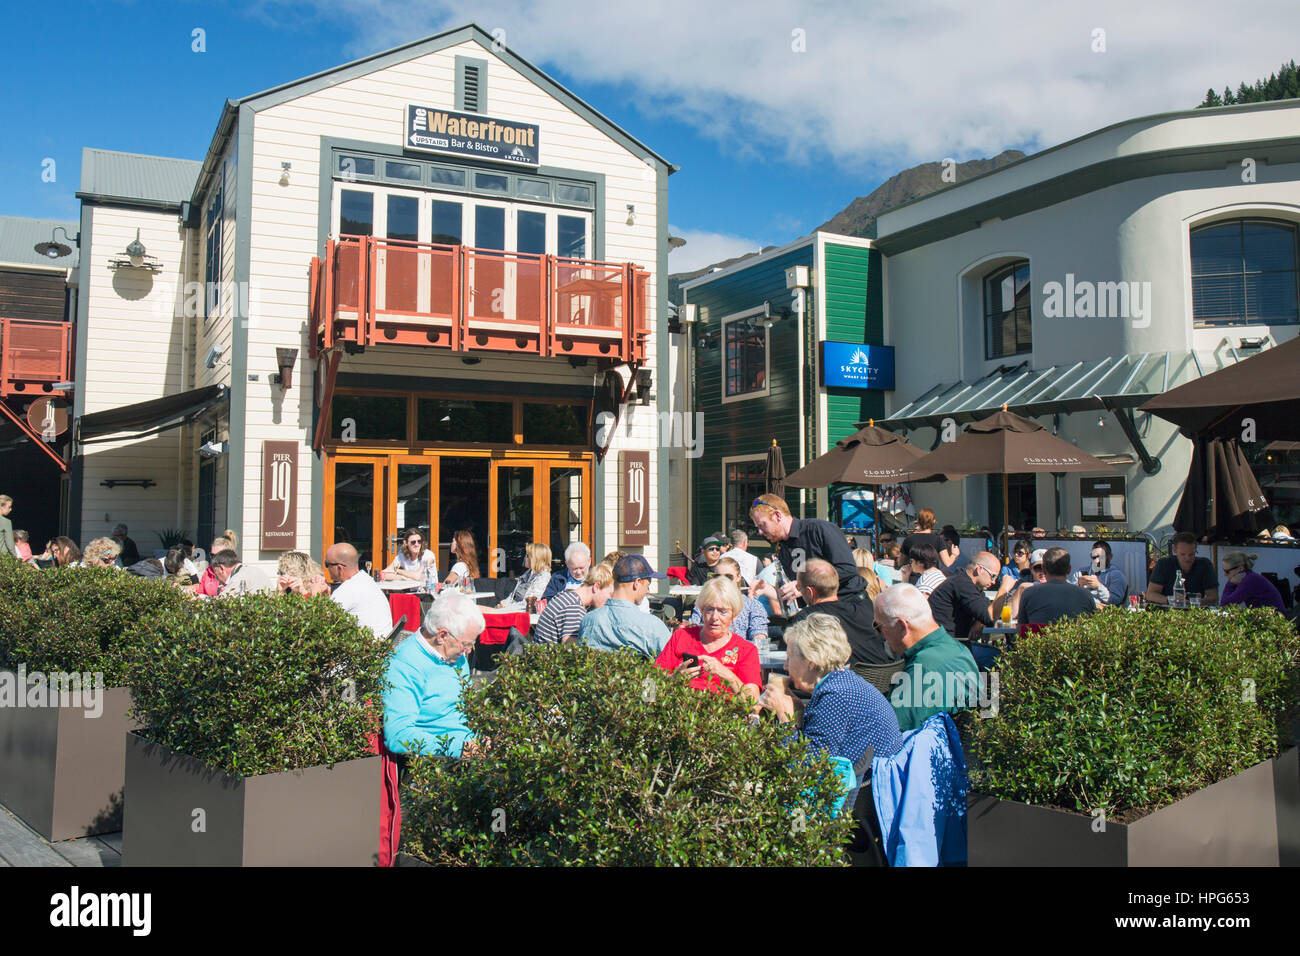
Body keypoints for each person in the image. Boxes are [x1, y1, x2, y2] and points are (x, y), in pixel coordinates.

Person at [756, 614, 906, 773]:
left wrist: (784, 717)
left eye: (789, 659)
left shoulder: (835, 696)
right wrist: (800, 712)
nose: (785, 667)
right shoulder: (844, 682)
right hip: (873, 780)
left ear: (811, 662)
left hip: (861, 790)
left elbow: (806, 766)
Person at [382, 590, 485, 758]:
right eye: (466, 644)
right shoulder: (404, 664)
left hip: (469, 747)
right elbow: (398, 735)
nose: (468, 651)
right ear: (442, 635)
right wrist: (461, 749)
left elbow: (463, 713)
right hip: (438, 761)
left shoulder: (456, 656)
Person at [873, 583, 979, 732]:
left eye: (879, 627)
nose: (880, 635)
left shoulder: (924, 667)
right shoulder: (958, 649)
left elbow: (889, 732)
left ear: (902, 626)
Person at [749, 493, 866, 605]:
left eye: (762, 525)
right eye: (757, 527)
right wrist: (768, 590)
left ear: (777, 516)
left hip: (849, 605)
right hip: (820, 611)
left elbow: (847, 569)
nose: (759, 532)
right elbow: (798, 594)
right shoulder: (783, 548)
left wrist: (801, 585)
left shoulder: (819, 529)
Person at [657, 575, 762, 699]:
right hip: (680, 712)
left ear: (735, 615)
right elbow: (649, 687)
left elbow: (753, 703)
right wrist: (674, 679)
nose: (714, 617)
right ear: (701, 611)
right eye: (709, 609)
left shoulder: (746, 650)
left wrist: (726, 674)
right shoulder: (682, 637)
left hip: (724, 715)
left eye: (722, 611)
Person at [789, 559, 893, 666]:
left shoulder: (807, 619)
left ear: (810, 592)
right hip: (884, 678)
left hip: (845, 681)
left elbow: (801, 664)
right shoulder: (865, 607)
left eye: (798, 588)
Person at [579, 554, 671, 657]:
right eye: (647, 585)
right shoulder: (653, 626)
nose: (648, 591)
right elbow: (672, 664)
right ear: (637, 583)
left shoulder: (589, 621)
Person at [927, 551, 1014, 641]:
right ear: (979, 569)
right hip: (943, 646)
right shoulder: (961, 584)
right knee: (995, 654)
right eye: (993, 576)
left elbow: (985, 607)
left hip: (950, 643)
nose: (993, 582)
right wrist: (1004, 589)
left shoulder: (966, 582)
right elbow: (991, 617)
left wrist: (979, 621)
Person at [687, 557, 769, 642]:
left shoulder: (752, 605)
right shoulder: (704, 602)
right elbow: (693, 627)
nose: (722, 580)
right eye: (717, 576)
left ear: (738, 577)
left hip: (739, 651)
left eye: (728, 577)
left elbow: (759, 633)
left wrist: (757, 639)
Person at [531, 563, 614, 644]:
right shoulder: (574, 607)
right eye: (610, 594)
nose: (611, 599)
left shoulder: (567, 597)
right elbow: (571, 648)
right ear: (596, 587)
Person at [324, 542, 393, 639]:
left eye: (327, 564)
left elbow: (320, 622)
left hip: (367, 652)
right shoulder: (366, 580)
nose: (326, 568)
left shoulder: (347, 589)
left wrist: (314, 593)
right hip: (382, 647)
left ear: (339, 568)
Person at [1016, 547, 1098, 627]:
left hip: (1041, 640)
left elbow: (1021, 630)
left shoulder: (1028, 594)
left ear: (1044, 570)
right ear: (1069, 570)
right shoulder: (1086, 596)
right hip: (1071, 640)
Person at [1146, 532, 1219, 606]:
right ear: (1174, 550)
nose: (1187, 558)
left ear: (1195, 550)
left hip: (1195, 611)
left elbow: (1214, 597)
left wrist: (1195, 602)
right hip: (1169, 610)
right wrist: (1170, 600)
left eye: (1191, 554)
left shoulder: (1204, 564)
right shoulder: (1164, 564)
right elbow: (1150, 594)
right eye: (1183, 554)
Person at [1220, 551, 1286, 613]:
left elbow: (1225, 606)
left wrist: (1230, 584)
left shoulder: (1250, 580)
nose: (1225, 574)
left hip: (1276, 620)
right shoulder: (1250, 577)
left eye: (1227, 571)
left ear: (1240, 568)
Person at [1072, 540, 1127, 606]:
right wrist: (1078, 585)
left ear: (1110, 556)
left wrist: (1098, 586)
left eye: (1101, 557)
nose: (1097, 560)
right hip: (1082, 609)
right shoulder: (1080, 572)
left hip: (1104, 613)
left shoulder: (1116, 575)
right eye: (1094, 557)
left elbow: (1116, 600)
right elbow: (1071, 597)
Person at [500, 542, 552, 608]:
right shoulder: (528, 573)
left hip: (522, 612)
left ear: (536, 558)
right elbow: (513, 595)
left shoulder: (544, 577)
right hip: (511, 608)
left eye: (527, 556)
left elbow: (531, 602)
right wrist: (503, 604)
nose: (524, 558)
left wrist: (507, 607)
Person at [209, 550, 275, 597]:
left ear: (221, 568)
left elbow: (222, 603)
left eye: (216, 574)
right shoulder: (255, 570)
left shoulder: (238, 577)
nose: (217, 579)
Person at [194, 530, 237, 597]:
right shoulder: (209, 571)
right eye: (212, 555)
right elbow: (200, 592)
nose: (214, 559)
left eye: (218, 555)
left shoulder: (237, 573)